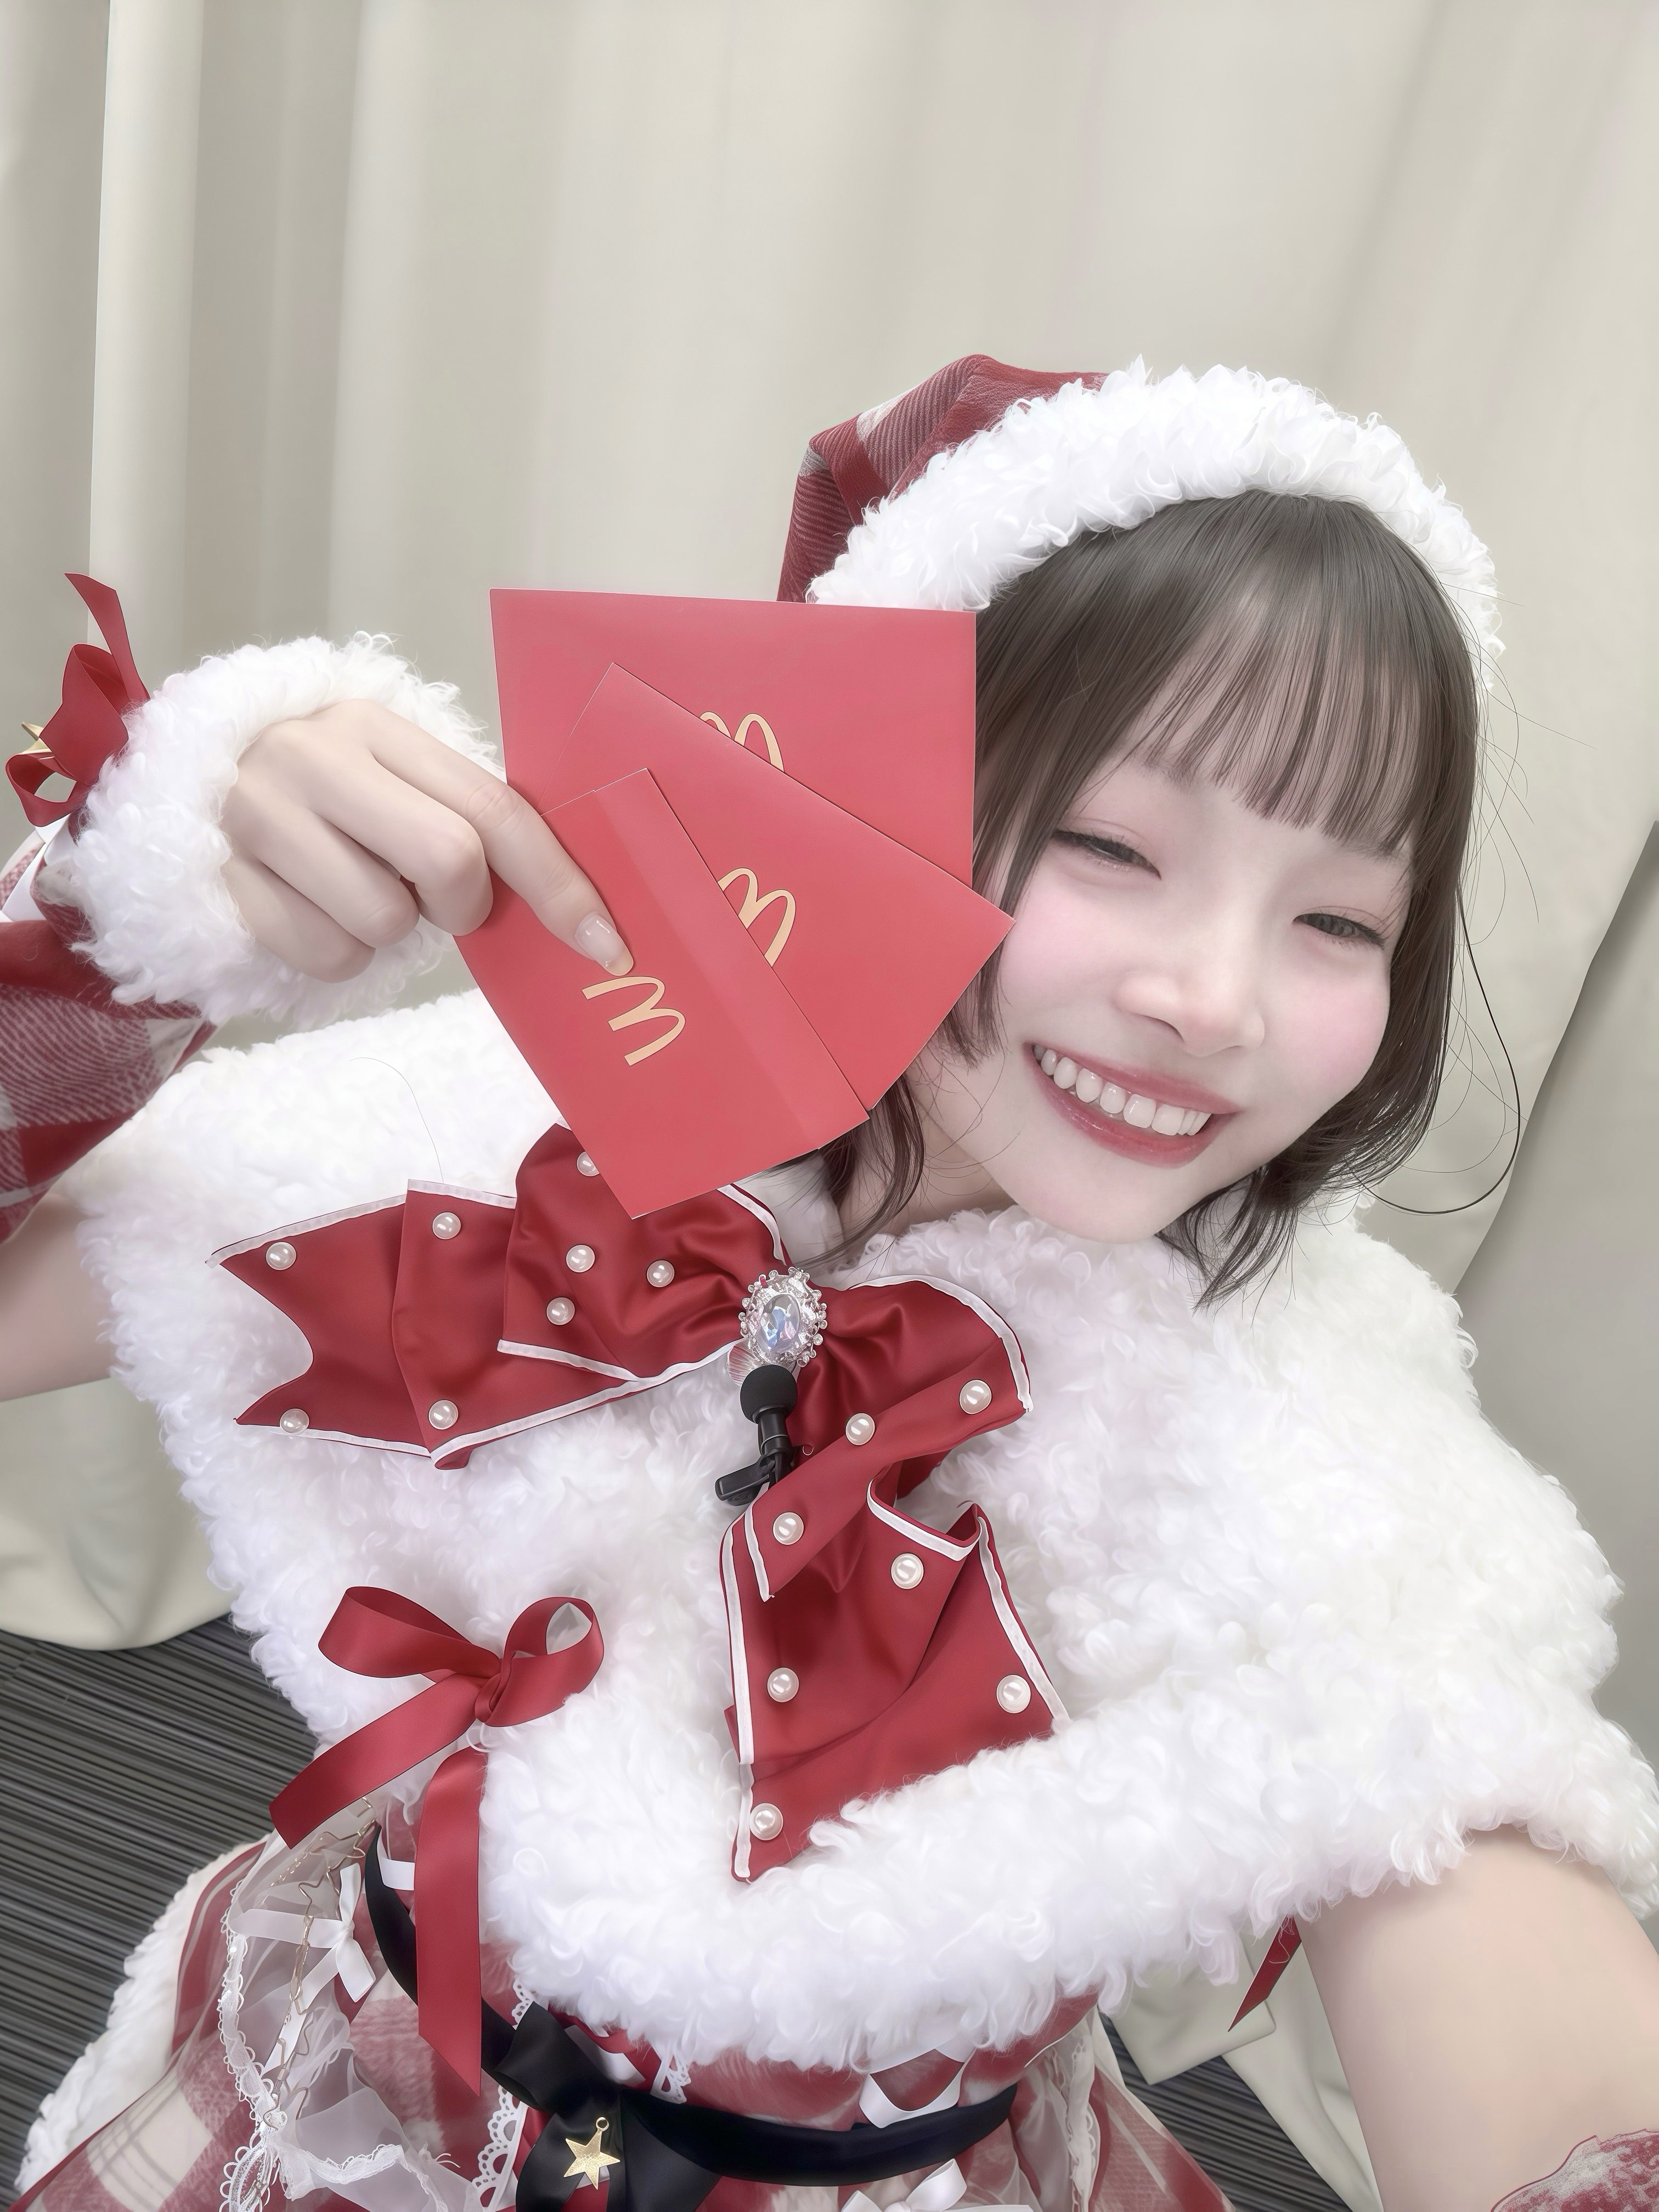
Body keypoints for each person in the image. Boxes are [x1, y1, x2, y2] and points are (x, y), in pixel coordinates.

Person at [2, 358, 1657, 2212]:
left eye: (1339, 920)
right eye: (1113, 846)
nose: (1216, 1001)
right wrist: (138, 921)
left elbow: (1456, 1805)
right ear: (873, 791)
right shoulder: (508, 1117)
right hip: (341, 2081)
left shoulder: (1309, 1426)